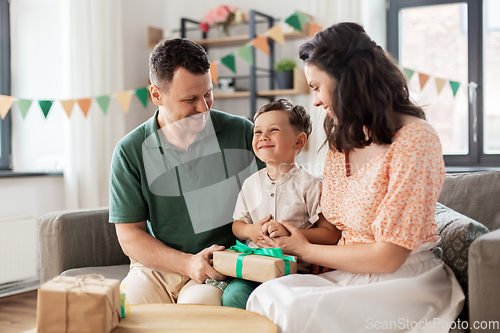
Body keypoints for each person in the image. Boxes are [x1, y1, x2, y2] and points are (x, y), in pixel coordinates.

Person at [246, 23, 465, 332]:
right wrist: (291, 235)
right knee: (265, 297)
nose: (317, 102)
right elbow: (334, 230)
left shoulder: (416, 139)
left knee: (297, 309)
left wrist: (304, 249)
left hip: (403, 280)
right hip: (349, 273)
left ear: (347, 81)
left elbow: (389, 257)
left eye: (317, 87)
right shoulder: (343, 137)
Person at [109, 38, 264, 306]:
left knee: (196, 314)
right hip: (155, 269)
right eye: (190, 99)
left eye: (208, 94)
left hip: (219, 266)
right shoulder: (129, 151)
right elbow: (130, 235)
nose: (204, 107)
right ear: (157, 95)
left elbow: (277, 190)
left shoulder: (242, 133)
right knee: (130, 315)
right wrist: (186, 263)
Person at [221, 99, 340, 309]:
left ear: (299, 141)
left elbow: (330, 233)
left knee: (287, 305)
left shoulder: (310, 185)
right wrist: (251, 230)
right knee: (232, 298)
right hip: (254, 266)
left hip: (294, 271)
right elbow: (237, 226)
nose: (263, 137)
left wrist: (289, 233)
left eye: (273, 129)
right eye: (257, 132)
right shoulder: (250, 184)